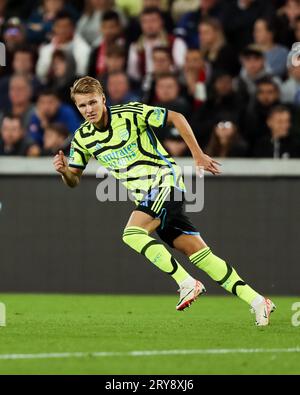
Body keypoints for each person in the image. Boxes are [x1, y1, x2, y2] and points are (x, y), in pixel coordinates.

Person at [53, 76, 276, 326]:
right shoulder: (82, 138)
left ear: (103, 99)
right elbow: (74, 180)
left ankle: (187, 282)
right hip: (149, 197)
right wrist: (64, 172)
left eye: (92, 102)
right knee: (198, 253)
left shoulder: (130, 113)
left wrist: (197, 154)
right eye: (82, 106)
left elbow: (176, 117)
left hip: (165, 181)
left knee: (132, 234)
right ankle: (258, 301)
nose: (88, 110)